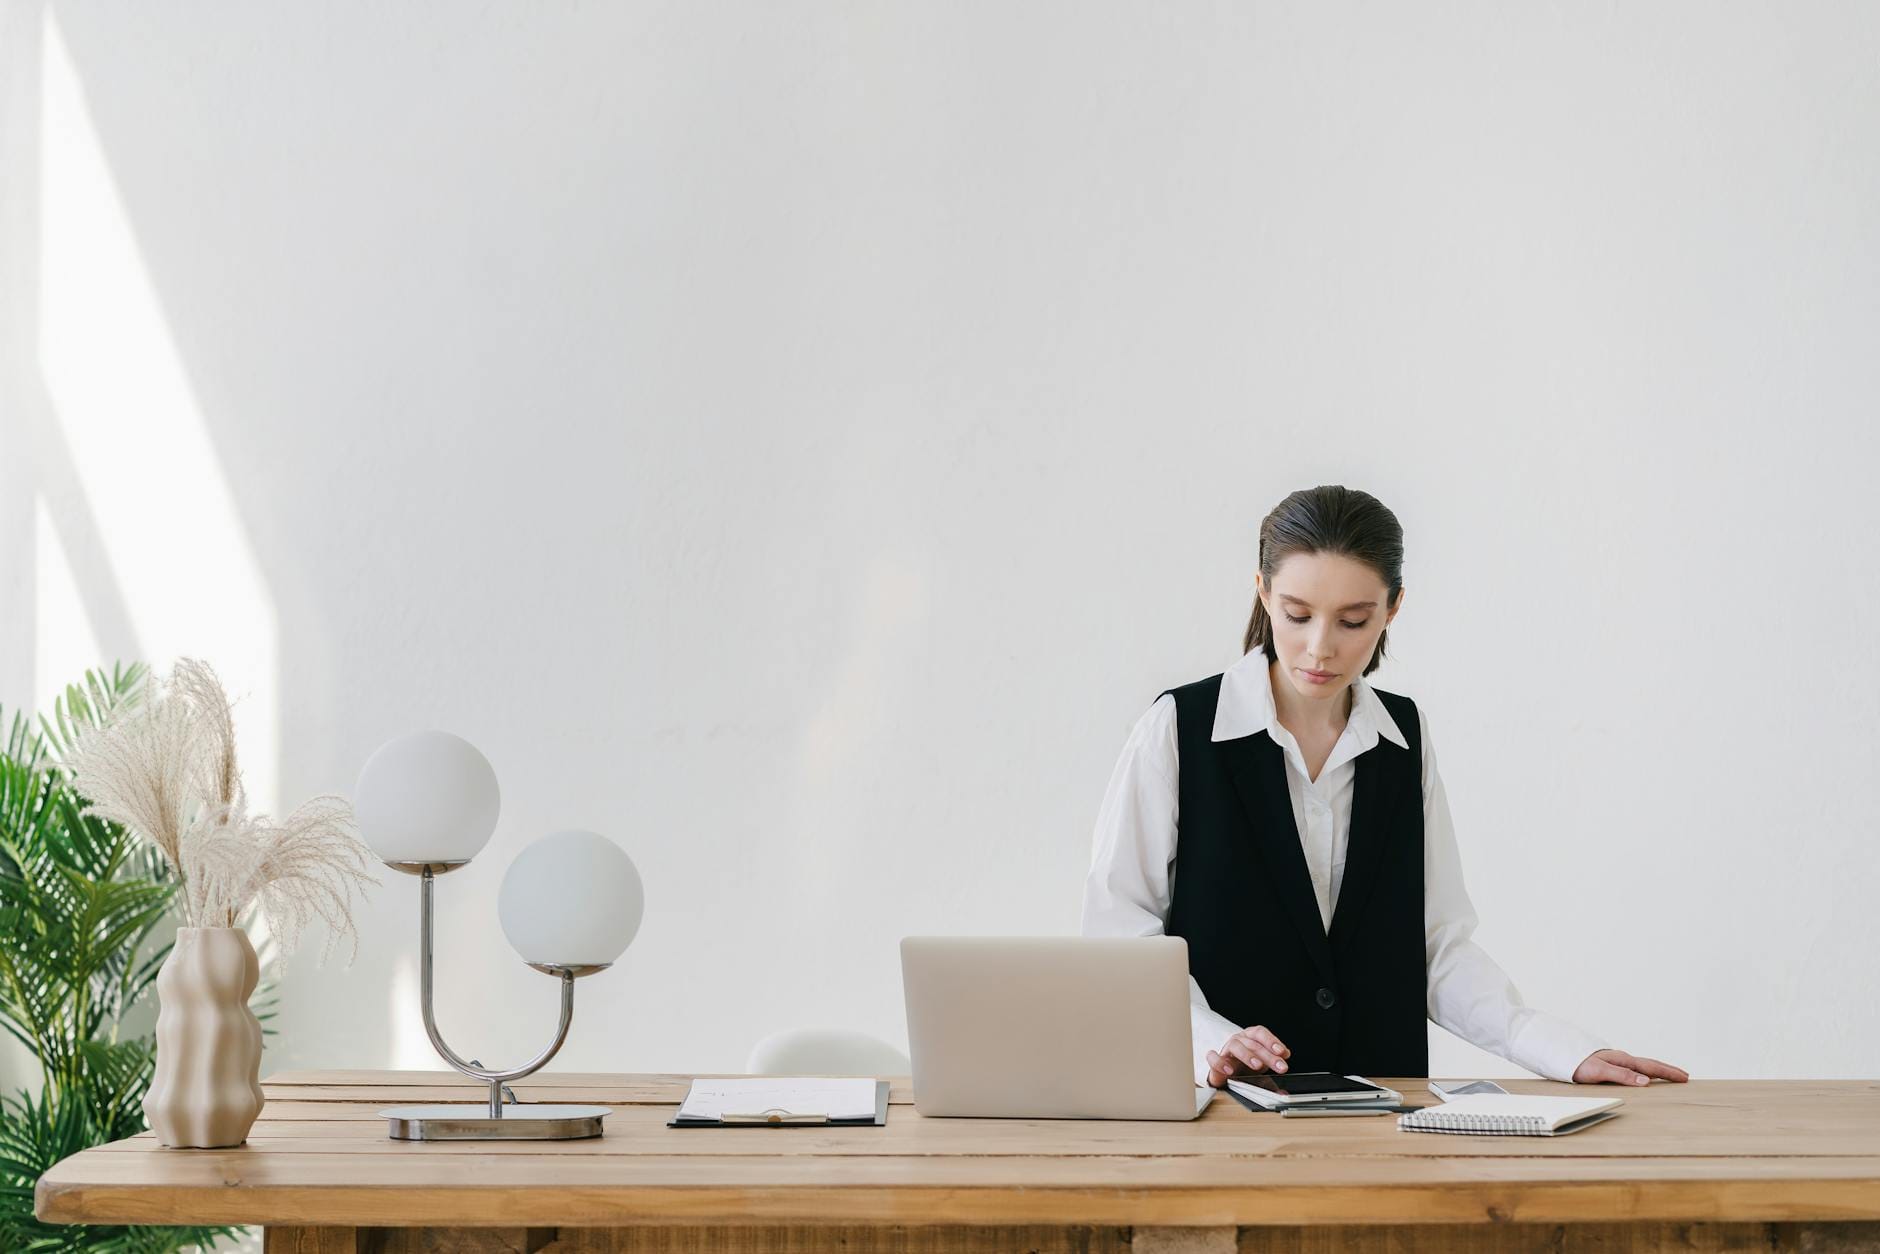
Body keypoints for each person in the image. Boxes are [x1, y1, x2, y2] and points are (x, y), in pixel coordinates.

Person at [1080, 485, 1689, 1090]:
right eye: (1296, 615)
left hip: (1382, 1120)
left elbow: (1437, 948)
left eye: (1353, 620)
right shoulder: (1178, 730)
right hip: (1224, 1117)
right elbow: (1118, 934)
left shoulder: (1405, 740)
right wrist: (1213, 1038)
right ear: (1262, 591)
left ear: (1392, 608)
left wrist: (1562, 1052)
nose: (1320, 647)